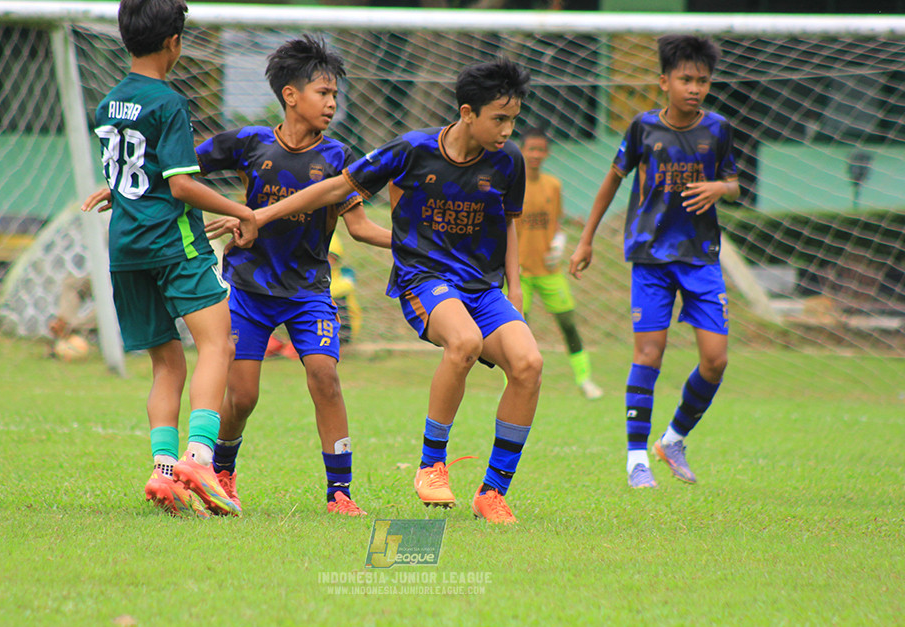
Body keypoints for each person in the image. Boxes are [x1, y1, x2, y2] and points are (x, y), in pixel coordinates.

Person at [251, 58, 542, 524]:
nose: (509, 130)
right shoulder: (412, 150)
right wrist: (260, 216)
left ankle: (492, 493)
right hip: (424, 278)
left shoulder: (509, 162)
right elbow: (334, 188)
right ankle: (431, 466)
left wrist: (517, 289)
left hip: (483, 288)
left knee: (529, 364)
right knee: (464, 342)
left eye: (513, 119)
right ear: (468, 113)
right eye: (500, 119)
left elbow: (508, 226)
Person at [196, 35, 391, 516]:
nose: (331, 103)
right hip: (248, 290)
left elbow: (361, 227)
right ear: (290, 94)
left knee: (325, 377)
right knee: (241, 396)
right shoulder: (249, 142)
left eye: (335, 96)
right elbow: (181, 169)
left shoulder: (339, 158)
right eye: (323, 93)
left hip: (308, 292)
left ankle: (339, 494)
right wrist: (129, 190)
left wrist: (414, 243)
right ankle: (222, 472)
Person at [81, 0, 257, 517]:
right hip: (171, 243)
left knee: (166, 362)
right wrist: (242, 210)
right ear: (174, 42)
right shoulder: (170, 102)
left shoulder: (110, 101)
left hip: (125, 249)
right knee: (218, 346)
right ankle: (200, 458)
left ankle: (163, 471)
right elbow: (180, 185)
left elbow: (137, 172)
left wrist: (121, 191)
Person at [568, 34, 740, 489]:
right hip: (651, 257)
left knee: (716, 360)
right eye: (686, 79)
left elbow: (735, 182)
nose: (695, 88)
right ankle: (636, 459)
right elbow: (611, 181)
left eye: (702, 80)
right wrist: (586, 241)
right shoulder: (643, 128)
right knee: (649, 353)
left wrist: (720, 189)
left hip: (701, 258)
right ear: (664, 81)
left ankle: (674, 438)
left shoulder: (718, 129)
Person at [515, 126, 603, 400]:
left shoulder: (553, 185)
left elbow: (556, 221)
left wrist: (559, 242)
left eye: (541, 149)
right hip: (519, 273)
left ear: (547, 153)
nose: (536, 154)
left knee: (568, 324)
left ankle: (584, 379)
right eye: (531, 149)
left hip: (549, 270)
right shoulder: (510, 184)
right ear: (521, 151)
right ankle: (515, 384)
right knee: (517, 333)